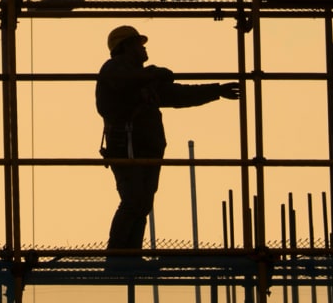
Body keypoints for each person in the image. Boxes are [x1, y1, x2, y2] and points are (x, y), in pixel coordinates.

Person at [96, 25, 240, 265]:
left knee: (143, 202)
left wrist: (217, 91)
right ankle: (116, 257)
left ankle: (130, 256)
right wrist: (154, 73)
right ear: (126, 47)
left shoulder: (145, 81)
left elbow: (180, 95)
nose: (144, 48)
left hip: (147, 149)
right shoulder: (113, 70)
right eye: (139, 44)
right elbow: (126, 82)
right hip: (126, 148)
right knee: (133, 200)